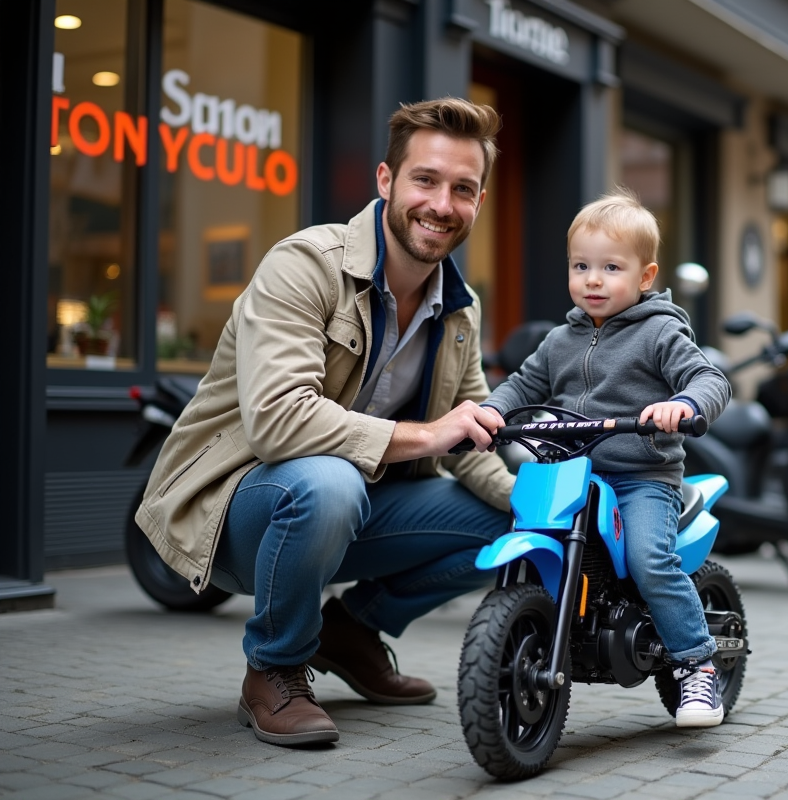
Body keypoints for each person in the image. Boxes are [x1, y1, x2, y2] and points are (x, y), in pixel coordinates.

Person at [135, 98, 516, 747]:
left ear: (479, 202)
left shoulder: (461, 306)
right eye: (425, 180)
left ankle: (350, 633)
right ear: (386, 181)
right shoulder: (306, 264)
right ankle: (275, 669)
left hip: (352, 510)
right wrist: (427, 435)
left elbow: (470, 438)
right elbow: (279, 423)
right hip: (239, 511)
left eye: (463, 189)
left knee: (521, 523)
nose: (442, 204)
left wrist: (549, 503)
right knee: (328, 482)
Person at [483, 188, 732, 728]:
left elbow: (709, 378)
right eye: (581, 266)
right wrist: (489, 412)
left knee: (648, 559)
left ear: (645, 277)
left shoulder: (661, 330)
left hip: (642, 476)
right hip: (570, 471)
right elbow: (521, 385)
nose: (592, 279)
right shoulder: (559, 339)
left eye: (610, 267)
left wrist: (683, 403)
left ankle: (697, 665)